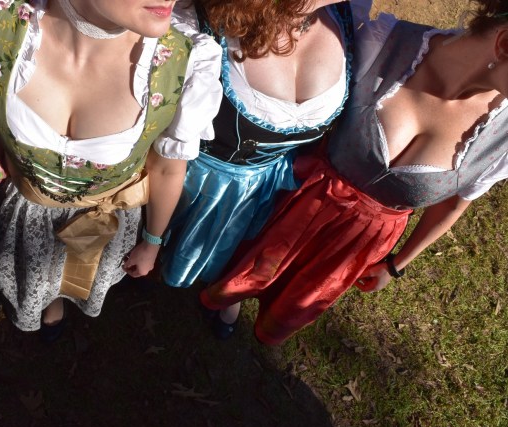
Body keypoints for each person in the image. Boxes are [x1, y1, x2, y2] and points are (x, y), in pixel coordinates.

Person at [201, 0, 508, 345]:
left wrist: (396, 264)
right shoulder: (384, 42)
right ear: (504, 44)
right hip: (293, 198)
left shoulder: (503, 141)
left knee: (295, 299)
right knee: (251, 262)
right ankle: (229, 301)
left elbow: (453, 204)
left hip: (352, 246)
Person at [0, 0, 222, 340]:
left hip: (104, 220)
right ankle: (50, 305)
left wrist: (152, 241)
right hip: (28, 213)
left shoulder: (183, 64)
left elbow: (167, 170)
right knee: (37, 276)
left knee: (80, 277)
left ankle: (63, 300)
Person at [162, 0, 354, 338]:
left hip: (266, 185)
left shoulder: (347, 18)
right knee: (165, 237)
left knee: (238, 241)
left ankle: (224, 282)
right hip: (191, 176)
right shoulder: (204, 21)